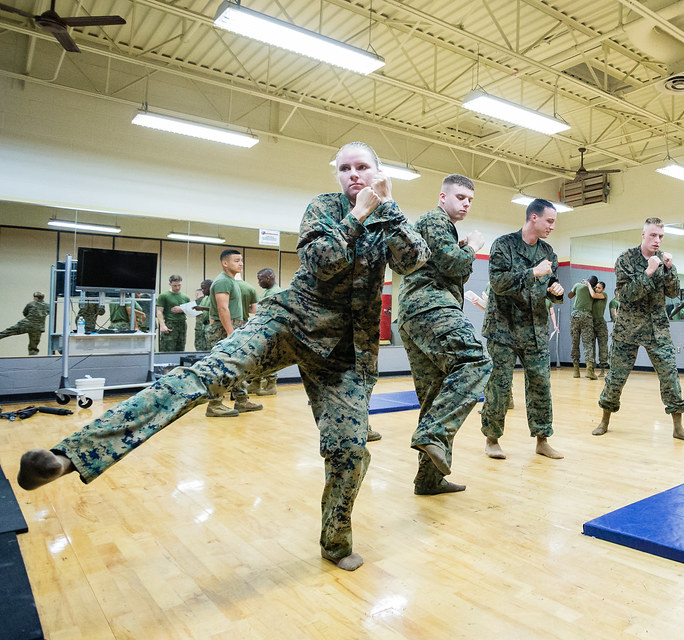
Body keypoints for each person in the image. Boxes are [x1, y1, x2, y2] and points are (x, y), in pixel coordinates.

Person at [17, 141, 430, 572]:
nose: (354, 175)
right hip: (287, 323)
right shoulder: (323, 208)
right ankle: (68, 456)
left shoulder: (388, 217)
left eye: (363, 167)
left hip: (343, 352)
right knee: (203, 378)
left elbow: (415, 260)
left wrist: (388, 208)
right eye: (345, 168)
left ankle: (336, 541)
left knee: (349, 448)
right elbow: (322, 260)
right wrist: (358, 213)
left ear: (380, 173)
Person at [397, 173, 492, 495]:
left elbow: (445, 258)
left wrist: (460, 246)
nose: (465, 204)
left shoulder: (443, 228)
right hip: (429, 306)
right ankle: (433, 434)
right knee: (476, 361)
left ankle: (428, 479)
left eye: (470, 200)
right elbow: (453, 265)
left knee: (434, 394)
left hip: (416, 312)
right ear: (443, 197)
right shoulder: (435, 219)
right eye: (460, 197)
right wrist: (474, 248)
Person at [593, 218, 684, 441]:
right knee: (616, 378)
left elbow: (673, 293)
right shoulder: (626, 259)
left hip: (657, 329)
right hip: (627, 330)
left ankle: (678, 427)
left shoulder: (664, 260)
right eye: (653, 235)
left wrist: (668, 270)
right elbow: (626, 294)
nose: (657, 240)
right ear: (643, 235)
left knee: (670, 376)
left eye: (660, 236)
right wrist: (648, 272)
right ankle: (604, 420)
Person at [480, 199, 564, 461]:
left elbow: (551, 284)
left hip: (535, 329)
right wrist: (533, 272)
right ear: (533, 218)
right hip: (503, 329)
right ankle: (492, 439)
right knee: (499, 387)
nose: (552, 226)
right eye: (549, 221)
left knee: (541, 385)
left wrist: (556, 292)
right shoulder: (503, 245)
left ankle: (542, 439)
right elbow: (498, 283)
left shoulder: (548, 251)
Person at [206, 249, 262, 418]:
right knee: (220, 367)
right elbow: (223, 308)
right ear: (225, 263)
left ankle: (242, 400)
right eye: (236, 260)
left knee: (238, 365)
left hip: (234, 326)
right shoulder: (222, 281)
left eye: (241, 260)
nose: (241, 263)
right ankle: (214, 404)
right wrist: (231, 333)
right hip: (224, 329)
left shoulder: (231, 281)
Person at [250, 268, 284, 396]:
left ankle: (271, 386)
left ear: (269, 277)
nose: (259, 282)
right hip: (263, 329)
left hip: (270, 330)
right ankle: (256, 382)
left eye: (260, 279)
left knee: (269, 358)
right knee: (260, 358)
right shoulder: (267, 292)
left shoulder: (275, 292)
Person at [567, 275, 599, 379]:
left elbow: (569, 295)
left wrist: (576, 290)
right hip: (587, 317)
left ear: (587, 280)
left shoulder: (577, 285)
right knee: (588, 344)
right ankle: (589, 370)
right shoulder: (593, 291)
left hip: (575, 315)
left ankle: (576, 371)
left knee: (575, 343)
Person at [156, 275, 190, 352]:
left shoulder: (185, 297)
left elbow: (190, 311)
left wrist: (182, 309)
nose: (177, 287)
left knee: (180, 347)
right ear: (170, 284)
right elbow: (159, 311)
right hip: (170, 324)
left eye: (179, 285)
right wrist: (162, 325)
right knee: (167, 347)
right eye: (175, 285)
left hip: (182, 324)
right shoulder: (164, 296)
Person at [591, 281, 609, 377]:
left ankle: (602, 370)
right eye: (596, 287)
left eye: (599, 288)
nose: (597, 289)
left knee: (603, 347)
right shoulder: (591, 295)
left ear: (603, 289)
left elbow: (594, 295)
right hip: (591, 324)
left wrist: (589, 285)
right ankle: (592, 370)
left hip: (601, 324)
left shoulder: (604, 295)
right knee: (591, 347)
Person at [193, 279, 213, 351]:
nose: (203, 291)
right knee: (202, 347)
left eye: (205, 288)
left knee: (210, 348)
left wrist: (203, 308)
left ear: (211, 287)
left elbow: (218, 310)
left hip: (212, 325)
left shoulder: (215, 297)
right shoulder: (205, 299)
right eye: (202, 289)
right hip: (204, 326)